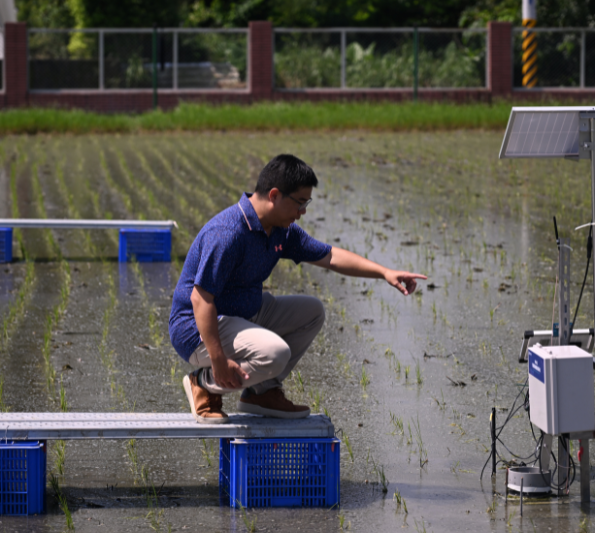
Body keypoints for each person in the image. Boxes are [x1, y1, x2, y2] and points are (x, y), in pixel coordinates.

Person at [169, 154, 426, 423]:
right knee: (274, 353)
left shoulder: (281, 229)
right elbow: (201, 299)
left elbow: (330, 256)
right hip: (196, 329)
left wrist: (384, 272)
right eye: (300, 203)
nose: (302, 212)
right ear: (275, 195)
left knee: (312, 311)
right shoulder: (227, 233)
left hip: (242, 313)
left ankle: (261, 393)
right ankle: (204, 383)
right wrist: (218, 360)